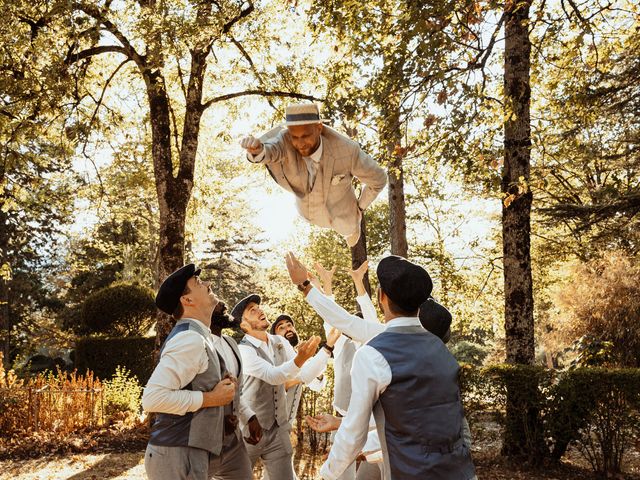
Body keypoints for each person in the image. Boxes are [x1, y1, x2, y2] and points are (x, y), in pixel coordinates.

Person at [285, 253, 476, 480]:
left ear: (382, 297)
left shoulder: (375, 354)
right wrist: (307, 288)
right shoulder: (439, 349)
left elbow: (355, 434)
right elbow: (346, 322)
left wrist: (328, 473)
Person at [142, 264, 260, 480]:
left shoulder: (201, 336)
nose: (208, 283)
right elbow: (152, 398)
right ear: (187, 300)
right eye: (198, 283)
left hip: (194, 452)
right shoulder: (190, 339)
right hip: (174, 456)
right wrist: (211, 398)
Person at [240, 102, 387, 247]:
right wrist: (258, 150)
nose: (300, 143)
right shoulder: (284, 139)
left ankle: (352, 232)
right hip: (306, 210)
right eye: (295, 137)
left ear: (319, 128)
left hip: (343, 215)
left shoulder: (348, 151)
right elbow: (271, 151)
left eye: (305, 136)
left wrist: (360, 207)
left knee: (348, 229)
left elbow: (379, 179)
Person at [232, 293, 326, 480]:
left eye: (258, 307)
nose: (260, 310)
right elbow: (273, 376)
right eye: (252, 310)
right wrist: (301, 358)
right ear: (244, 325)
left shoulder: (280, 342)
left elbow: (303, 373)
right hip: (249, 431)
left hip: (279, 430)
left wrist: (327, 349)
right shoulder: (244, 350)